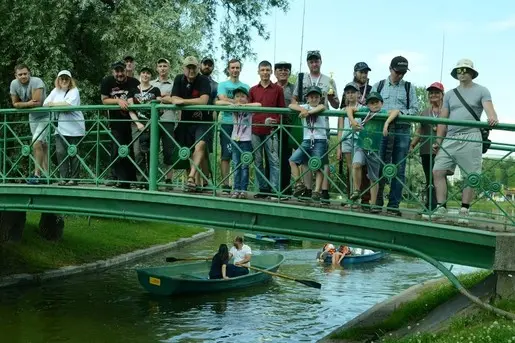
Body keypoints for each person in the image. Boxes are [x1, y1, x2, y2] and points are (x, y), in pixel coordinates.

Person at [432, 59, 498, 223]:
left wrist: (492, 117)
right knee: (438, 171)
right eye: (459, 70)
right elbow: (443, 119)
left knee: (471, 175)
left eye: (465, 70)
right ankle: (441, 207)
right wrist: (438, 141)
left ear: (472, 73)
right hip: (451, 137)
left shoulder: (482, 90)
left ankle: (464, 210)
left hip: (471, 135)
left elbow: (489, 109)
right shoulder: (449, 94)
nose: (462, 73)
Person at [372, 56, 419, 216]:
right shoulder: (378, 86)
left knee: (399, 168)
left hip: (401, 130)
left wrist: (399, 114)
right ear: (390, 69)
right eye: (398, 72)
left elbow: (414, 109)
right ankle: (376, 202)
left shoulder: (409, 87)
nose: (400, 75)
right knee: (378, 166)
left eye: (403, 73)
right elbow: (370, 106)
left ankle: (393, 205)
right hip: (381, 130)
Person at [292, 50, 339, 202]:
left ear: (320, 61)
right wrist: (304, 110)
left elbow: (336, 104)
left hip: (321, 125)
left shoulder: (328, 80)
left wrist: (331, 98)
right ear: (308, 63)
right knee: (304, 160)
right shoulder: (301, 78)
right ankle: (307, 188)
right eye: (311, 61)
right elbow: (293, 101)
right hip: (306, 126)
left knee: (320, 160)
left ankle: (321, 191)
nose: (314, 64)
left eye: (316, 61)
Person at [347, 92, 400, 213]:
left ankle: (374, 204)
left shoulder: (382, 113)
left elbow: (396, 111)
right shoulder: (364, 110)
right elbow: (349, 109)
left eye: (377, 102)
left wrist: (386, 123)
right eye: (371, 102)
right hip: (361, 146)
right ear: (368, 104)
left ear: (381, 103)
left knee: (373, 178)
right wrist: (353, 121)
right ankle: (356, 190)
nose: (374, 105)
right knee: (356, 164)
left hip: (375, 150)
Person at [171, 56, 211, 192]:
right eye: (188, 67)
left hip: (202, 121)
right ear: (184, 68)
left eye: (193, 67)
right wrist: (179, 100)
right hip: (185, 122)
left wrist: (184, 102)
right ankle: (192, 184)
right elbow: (174, 98)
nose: (191, 70)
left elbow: (204, 101)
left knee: (200, 145)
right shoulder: (178, 79)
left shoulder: (203, 80)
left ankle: (191, 177)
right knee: (186, 150)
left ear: (197, 67)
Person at [215, 87, 261, 198]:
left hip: (246, 141)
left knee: (245, 165)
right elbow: (217, 102)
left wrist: (244, 106)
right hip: (235, 139)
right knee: (235, 164)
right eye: (237, 96)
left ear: (247, 98)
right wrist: (232, 103)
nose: (240, 98)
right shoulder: (233, 107)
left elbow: (259, 105)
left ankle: (243, 190)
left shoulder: (248, 110)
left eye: (242, 96)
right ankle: (236, 189)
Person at [249, 60, 286, 199]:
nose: (265, 72)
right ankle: (262, 189)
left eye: (267, 70)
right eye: (262, 70)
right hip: (255, 131)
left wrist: (275, 121)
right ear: (258, 72)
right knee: (257, 161)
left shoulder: (278, 89)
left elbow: (282, 111)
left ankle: (274, 190)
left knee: (274, 161)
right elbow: (247, 110)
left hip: (271, 131)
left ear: (271, 72)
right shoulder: (252, 90)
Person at [100, 60, 140, 188]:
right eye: (117, 71)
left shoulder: (134, 82)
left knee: (133, 150)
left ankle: (131, 179)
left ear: (126, 70)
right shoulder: (107, 81)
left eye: (121, 70)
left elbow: (140, 97)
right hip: (116, 121)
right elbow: (104, 100)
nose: (119, 74)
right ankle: (117, 178)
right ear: (113, 72)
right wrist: (118, 101)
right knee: (117, 148)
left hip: (133, 121)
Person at [340, 62, 374, 208]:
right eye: (361, 72)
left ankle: (365, 200)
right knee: (351, 168)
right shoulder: (347, 93)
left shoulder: (371, 89)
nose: (364, 74)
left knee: (361, 167)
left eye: (366, 72)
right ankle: (352, 198)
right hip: (347, 137)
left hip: (363, 137)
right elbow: (344, 112)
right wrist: (339, 142)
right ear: (355, 73)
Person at [43, 70, 85, 186]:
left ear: (70, 80)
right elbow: (45, 104)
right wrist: (58, 103)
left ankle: (74, 179)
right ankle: (64, 177)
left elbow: (68, 106)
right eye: (62, 79)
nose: (64, 81)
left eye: (67, 78)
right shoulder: (56, 91)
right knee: (60, 152)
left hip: (75, 127)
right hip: (61, 127)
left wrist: (54, 104)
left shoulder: (74, 91)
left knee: (74, 153)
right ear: (58, 80)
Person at [10, 64, 50, 184]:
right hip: (32, 117)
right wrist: (27, 104)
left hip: (46, 116)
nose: (23, 76)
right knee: (41, 145)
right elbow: (14, 103)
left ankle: (37, 174)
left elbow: (36, 102)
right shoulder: (14, 84)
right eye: (20, 74)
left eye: (25, 74)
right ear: (16, 75)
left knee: (36, 142)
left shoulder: (37, 81)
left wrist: (22, 104)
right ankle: (47, 175)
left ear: (29, 73)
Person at [409, 82, 445, 213]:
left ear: (442, 95)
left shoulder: (447, 111)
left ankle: (441, 206)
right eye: (431, 93)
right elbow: (420, 130)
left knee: (440, 176)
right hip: (426, 149)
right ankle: (430, 205)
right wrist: (412, 144)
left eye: (436, 93)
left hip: (442, 150)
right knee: (429, 178)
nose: (433, 95)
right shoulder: (425, 112)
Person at [217, 59, 250, 194]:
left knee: (242, 157)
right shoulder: (223, 84)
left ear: (240, 69)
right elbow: (221, 100)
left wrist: (231, 102)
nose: (235, 70)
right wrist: (237, 102)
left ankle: (241, 188)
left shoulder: (246, 86)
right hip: (227, 123)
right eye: (232, 68)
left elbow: (249, 103)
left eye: (237, 67)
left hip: (243, 127)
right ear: (228, 69)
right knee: (226, 155)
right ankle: (226, 185)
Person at [288, 86, 327, 201]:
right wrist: (302, 110)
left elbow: (321, 107)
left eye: (316, 97)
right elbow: (291, 105)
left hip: (320, 140)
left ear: (320, 98)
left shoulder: (321, 107)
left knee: (317, 165)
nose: (314, 99)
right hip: (306, 140)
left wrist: (308, 113)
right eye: (311, 97)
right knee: (292, 160)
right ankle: (299, 184)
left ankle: (317, 191)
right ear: (307, 98)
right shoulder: (305, 107)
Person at [128, 66, 162, 186]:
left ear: (150, 76)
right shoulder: (133, 90)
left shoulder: (156, 90)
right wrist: (138, 123)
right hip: (136, 124)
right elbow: (130, 109)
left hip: (152, 124)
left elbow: (159, 108)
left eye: (148, 73)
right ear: (140, 75)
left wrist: (150, 123)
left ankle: (152, 182)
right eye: (143, 73)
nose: (145, 75)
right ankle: (140, 182)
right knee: (138, 153)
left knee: (152, 153)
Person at [152, 58, 177, 186]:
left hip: (168, 119)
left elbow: (175, 99)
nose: (162, 68)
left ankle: (168, 179)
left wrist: (158, 97)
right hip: (152, 120)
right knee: (151, 149)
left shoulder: (174, 84)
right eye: (160, 66)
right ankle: (152, 179)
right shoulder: (151, 83)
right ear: (157, 68)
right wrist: (165, 97)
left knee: (169, 150)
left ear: (169, 68)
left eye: (165, 66)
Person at [337, 82, 362, 202]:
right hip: (346, 140)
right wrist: (338, 147)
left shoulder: (362, 108)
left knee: (357, 166)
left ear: (358, 94)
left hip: (359, 140)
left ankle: (357, 196)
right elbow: (340, 129)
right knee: (350, 167)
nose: (350, 95)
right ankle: (351, 197)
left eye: (353, 92)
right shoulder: (342, 110)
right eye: (348, 93)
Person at [274, 61, 296, 197]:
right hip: (273, 126)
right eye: (280, 69)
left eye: (286, 70)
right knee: (272, 158)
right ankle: (273, 186)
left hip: (288, 127)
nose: (283, 72)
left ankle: (286, 188)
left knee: (287, 158)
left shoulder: (294, 88)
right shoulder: (270, 87)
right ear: (275, 72)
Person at [199, 57, 218, 189]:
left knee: (206, 151)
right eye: (205, 64)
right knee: (191, 150)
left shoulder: (215, 85)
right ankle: (194, 181)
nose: (207, 66)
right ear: (201, 65)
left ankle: (205, 181)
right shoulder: (194, 80)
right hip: (191, 119)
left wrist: (215, 119)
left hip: (207, 120)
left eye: (210, 65)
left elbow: (215, 103)